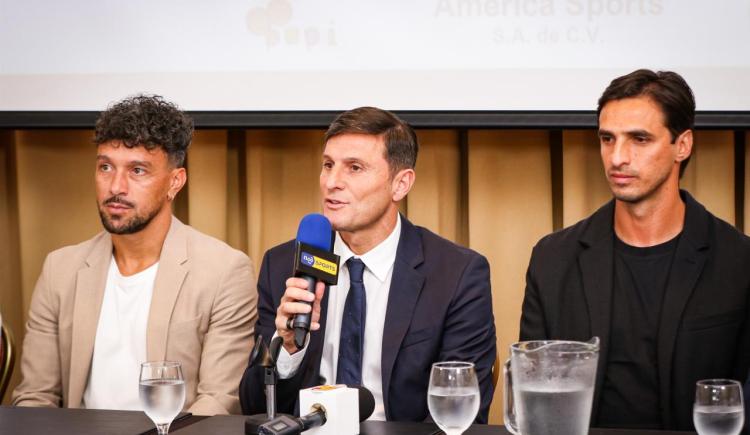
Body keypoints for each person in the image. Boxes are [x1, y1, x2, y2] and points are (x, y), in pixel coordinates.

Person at [520, 69, 750, 430]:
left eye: (639, 139)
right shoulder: (553, 258)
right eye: (607, 139)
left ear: (682, 145)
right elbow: (532, 395)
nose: (616, 158)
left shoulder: (739, 261)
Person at [239, 107, 496, 422]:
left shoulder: (456, 274)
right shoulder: (283, 265)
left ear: (400, 184)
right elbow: (252, 407)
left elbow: (460, 412)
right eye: (328, 165)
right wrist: (289, 348)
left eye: (355, 168)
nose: (332, 182)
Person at [12, 95, 257, 415]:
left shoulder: (224, 270)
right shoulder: (61, 268)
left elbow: (218, 401)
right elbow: (35, 397)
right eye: (105, 167)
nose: (116, 186)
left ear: (175, 182)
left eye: (137, 170)